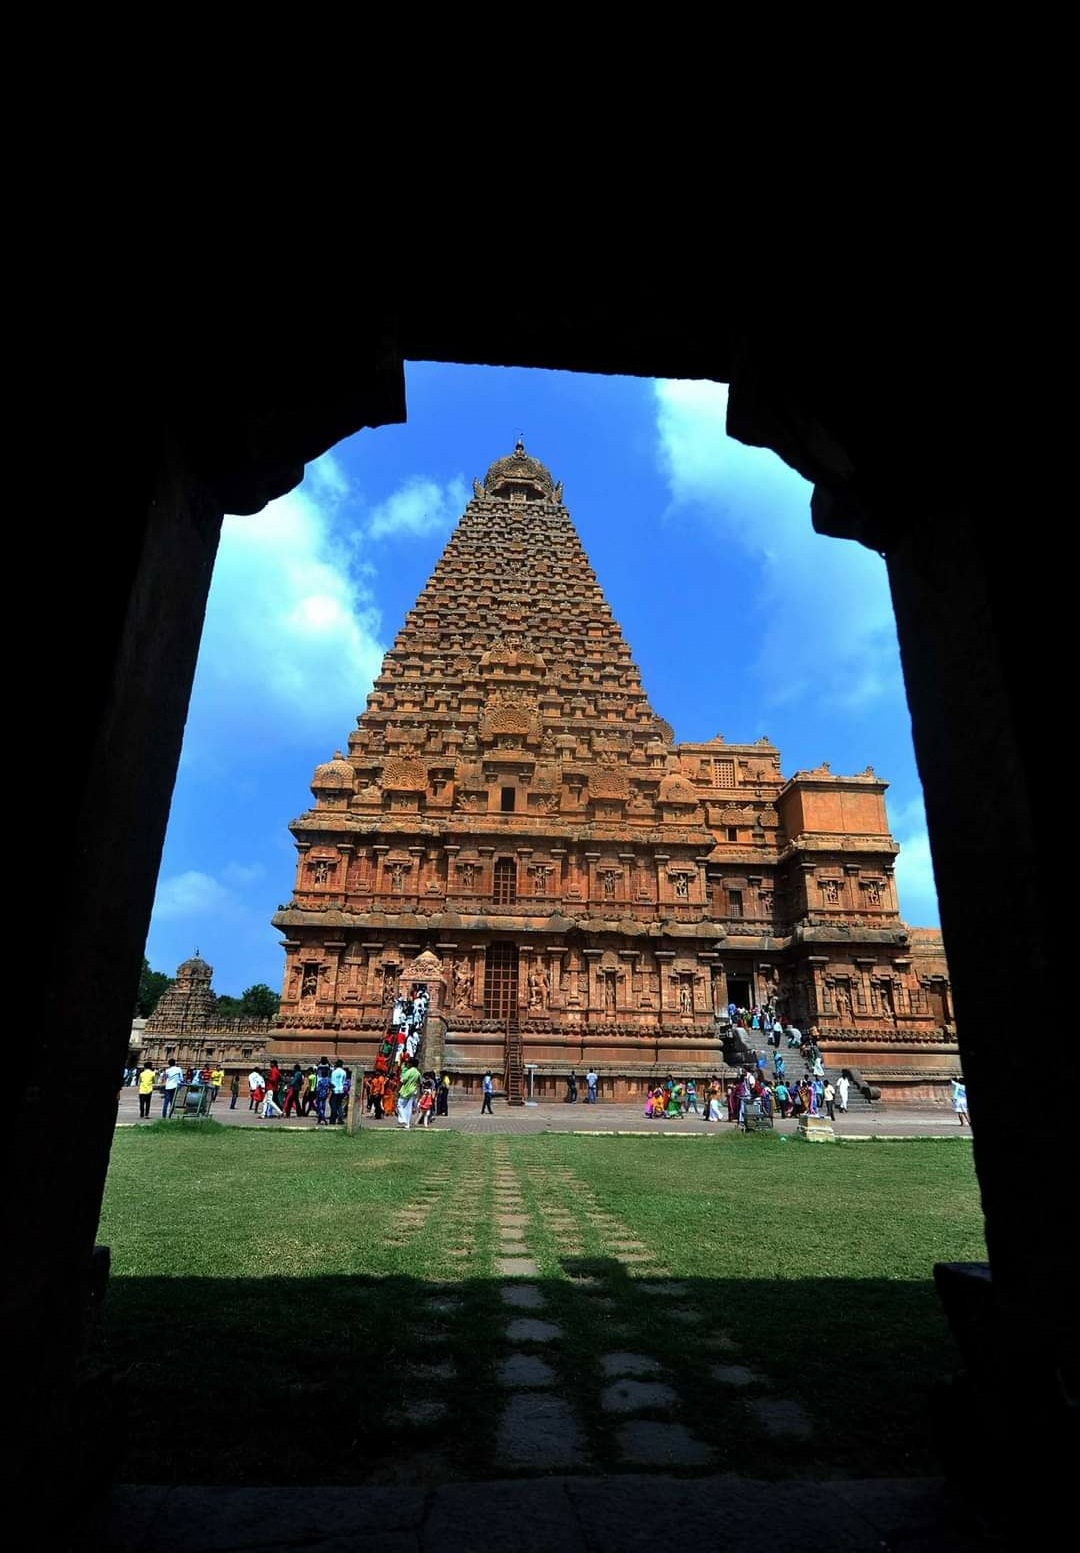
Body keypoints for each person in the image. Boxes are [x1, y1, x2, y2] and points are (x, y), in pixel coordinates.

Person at [397, 1058, 421, 1128]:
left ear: (411, 1064)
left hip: (405, 1091)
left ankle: (403, 1120)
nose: (407, 1064)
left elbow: (402, 1081)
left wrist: (397, 1090)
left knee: (399, 1105)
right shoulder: (418, 1073)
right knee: (408, 1108)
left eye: (408, 1063)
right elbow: (419, 1083)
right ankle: (407, 1124)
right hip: (413, 1091)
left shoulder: (408, 1072)